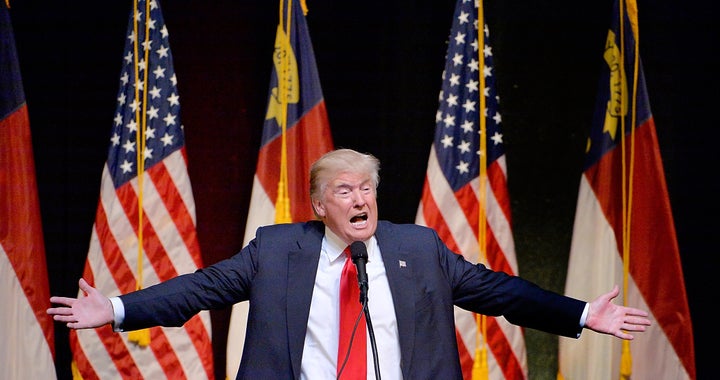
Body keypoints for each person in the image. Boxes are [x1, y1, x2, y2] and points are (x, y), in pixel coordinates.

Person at [48, 148, 651, 379]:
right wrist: (119, 307)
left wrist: (578, 314)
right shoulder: (278, 250)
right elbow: (201, 289)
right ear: (318, 204)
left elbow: (498, 291)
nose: (360, 199)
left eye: (366, 188)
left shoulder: (418, 248)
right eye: (344, 190)